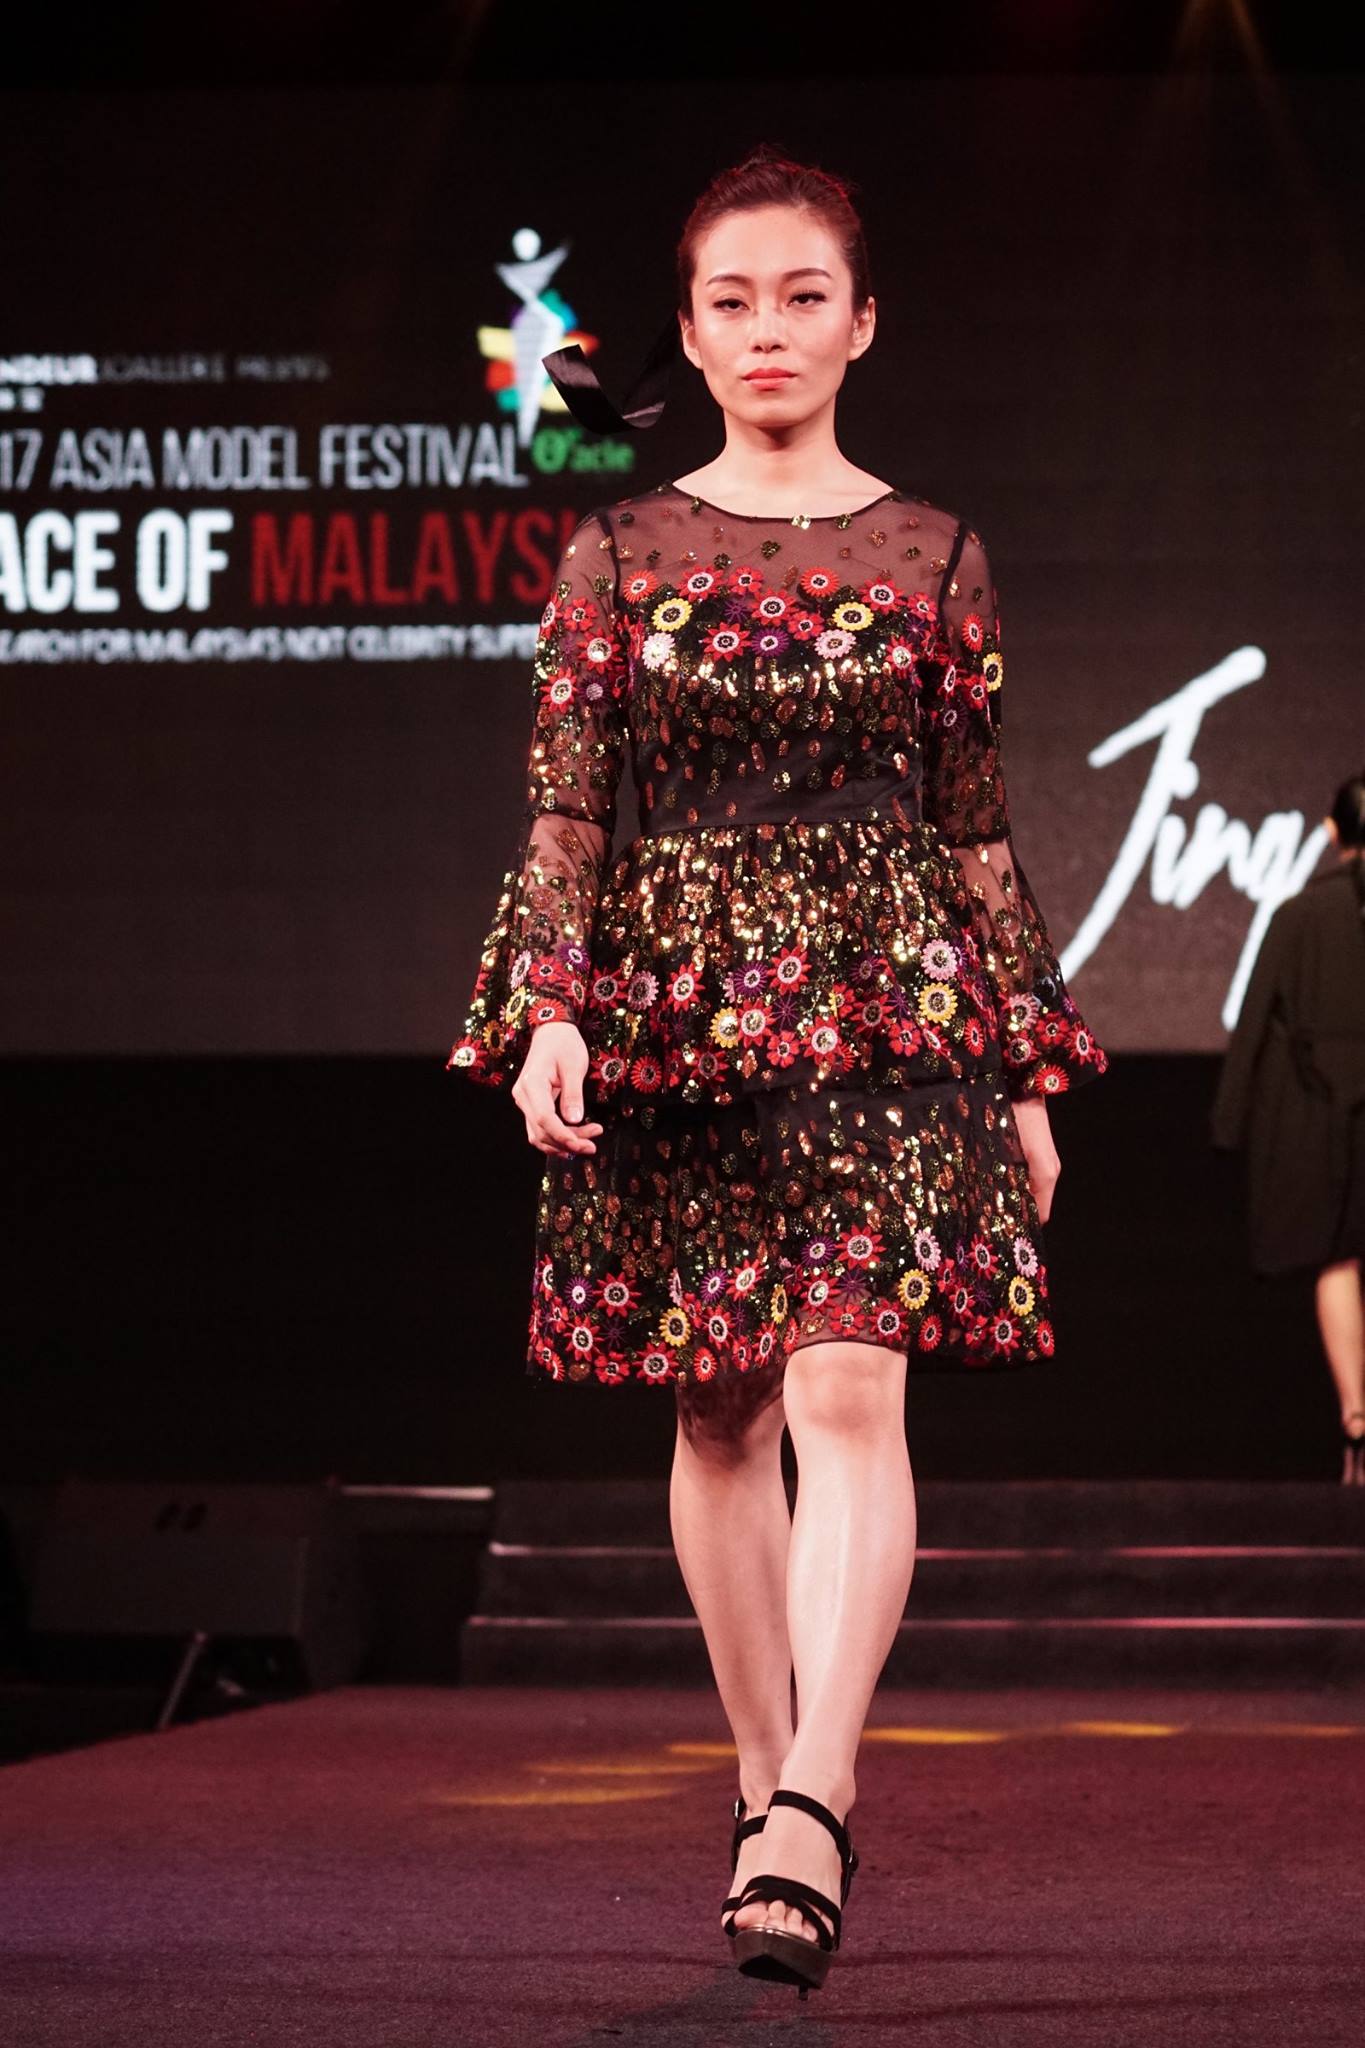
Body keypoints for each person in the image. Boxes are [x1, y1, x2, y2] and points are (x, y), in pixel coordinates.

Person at [446, 144, 1109, 1997]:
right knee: (721, 1410)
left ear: (862, 322)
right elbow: (568, 811)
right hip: (676, 1008)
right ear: (685, 331)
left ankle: (819, 1793)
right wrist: (550, 1008)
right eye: (731, 300)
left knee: (846, 1380)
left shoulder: (939, 553)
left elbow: (973, 826)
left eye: (803, 296)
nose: (767, 330)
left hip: (892, 999)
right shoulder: (616, 551)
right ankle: (761, 1783)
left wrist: (1026, 1068)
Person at [1210, 770, 1365, 1485]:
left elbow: (1254, 1020)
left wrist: (1229, 1123)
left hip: (1323, 1113)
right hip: (1328, 1104)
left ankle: (1355, 1413)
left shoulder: (1297, 914)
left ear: (1332, 831)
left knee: (1338, 1261)